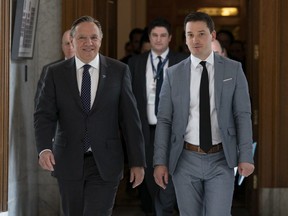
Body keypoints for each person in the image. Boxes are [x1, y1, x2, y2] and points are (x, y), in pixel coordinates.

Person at [34, 15, 146, 216]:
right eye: (82, 38)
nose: (88, 43)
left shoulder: (119, 71)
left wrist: (137, 161)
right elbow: (44, 115)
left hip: (105, 162)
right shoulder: (55, 73)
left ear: (101, 40)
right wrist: (44, 148)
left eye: (94, 37)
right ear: (73, 42)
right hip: (68, 160)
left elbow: (130, 120)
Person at [153, 11, 255, 216]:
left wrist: (246, 156)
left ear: (213, 36)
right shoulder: (173, 74)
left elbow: (242, 115)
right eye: (190, 34)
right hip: (185, 159)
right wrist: (160, 161)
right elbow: (164, 121)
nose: (195, 39)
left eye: (201, 34)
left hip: (221, 159)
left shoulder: (233, 70)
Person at [129, 17, 187, 216]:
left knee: (169, 182)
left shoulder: (182, 62)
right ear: (150, 37)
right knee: (148, 182)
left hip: (173, 132)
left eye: (163, 35)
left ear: (170, 38)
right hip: (146, 131)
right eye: (154, 35)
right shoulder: (136, 63)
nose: (159, 40)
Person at [34, 30, 75, 107]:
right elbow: (39, 102)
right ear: (62, 46)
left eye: (73, 43)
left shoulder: (88, 68)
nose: (70, 47)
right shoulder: (48, 69)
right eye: (67, 44)